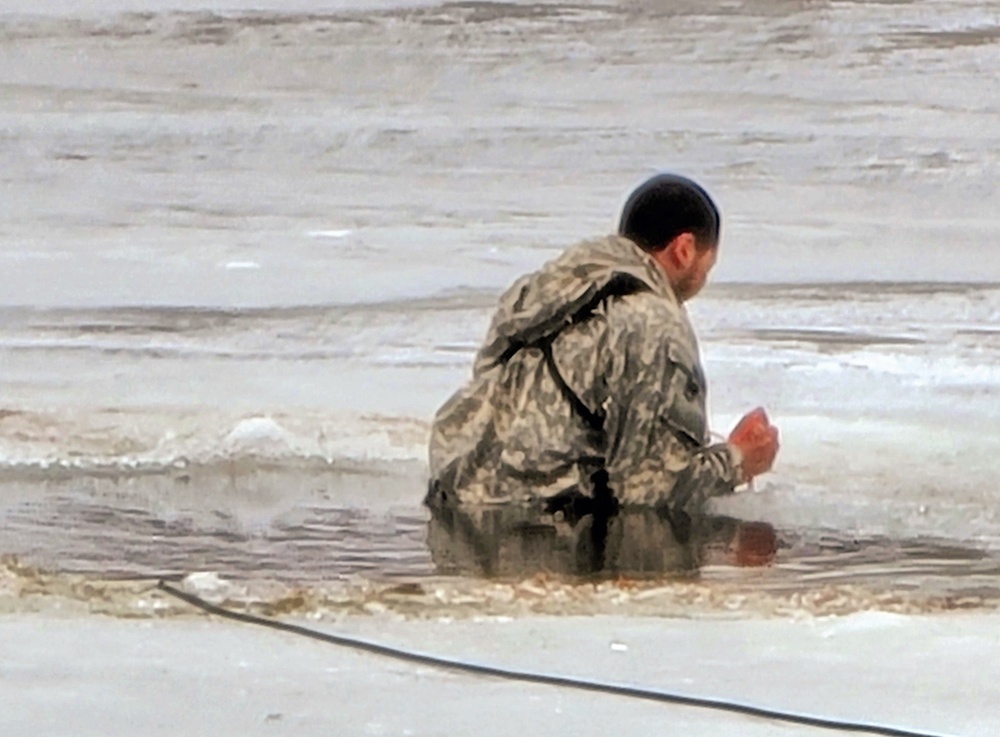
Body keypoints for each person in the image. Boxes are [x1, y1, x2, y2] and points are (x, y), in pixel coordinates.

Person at [425, 173, 780, 577]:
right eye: (706, 264)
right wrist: (738, 460)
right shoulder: (651, 321)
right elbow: (647, 491)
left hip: (455, 513)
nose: (703, 278)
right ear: (684, 249)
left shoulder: (547, 290)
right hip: (534, 538)